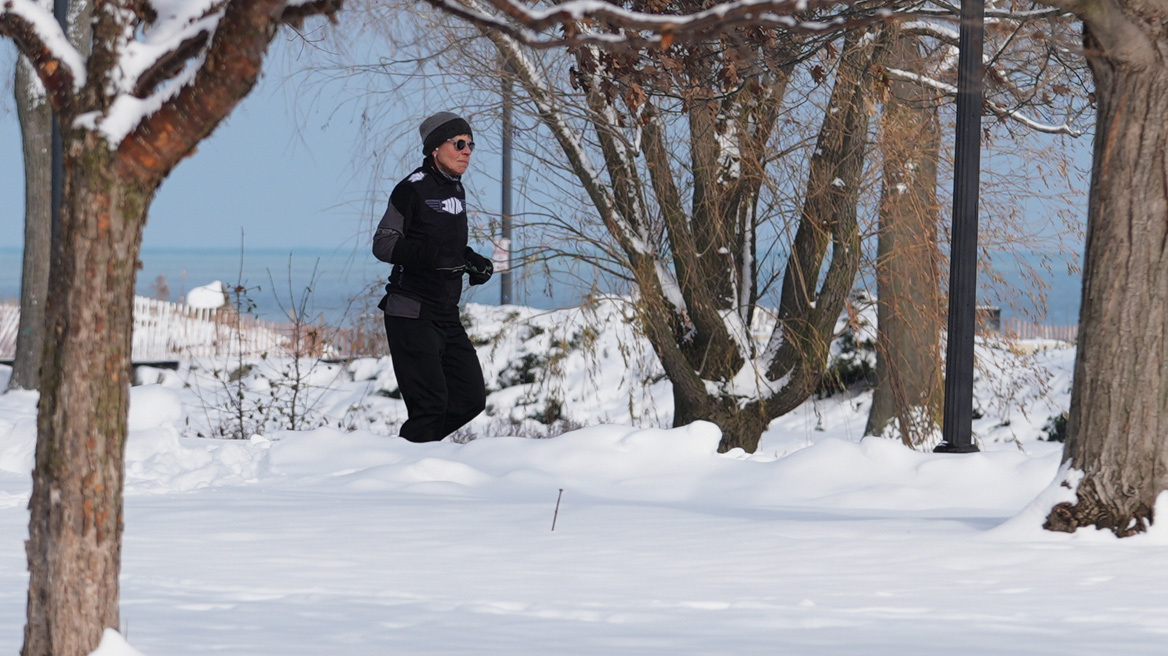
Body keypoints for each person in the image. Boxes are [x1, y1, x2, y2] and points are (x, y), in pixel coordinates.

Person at [372, 111, 494, 442]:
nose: (467, 150)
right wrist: (434, 258)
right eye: (459, 143)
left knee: (470, 399)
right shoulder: (410, 190)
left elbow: (446, 246)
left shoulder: (456, 190)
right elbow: (383, 245)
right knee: (430, 407)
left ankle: (418, 454)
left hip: (445, 313)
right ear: (434, 149)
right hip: (411, 312)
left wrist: (471, 261)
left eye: (471, 144)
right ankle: (411, 471)